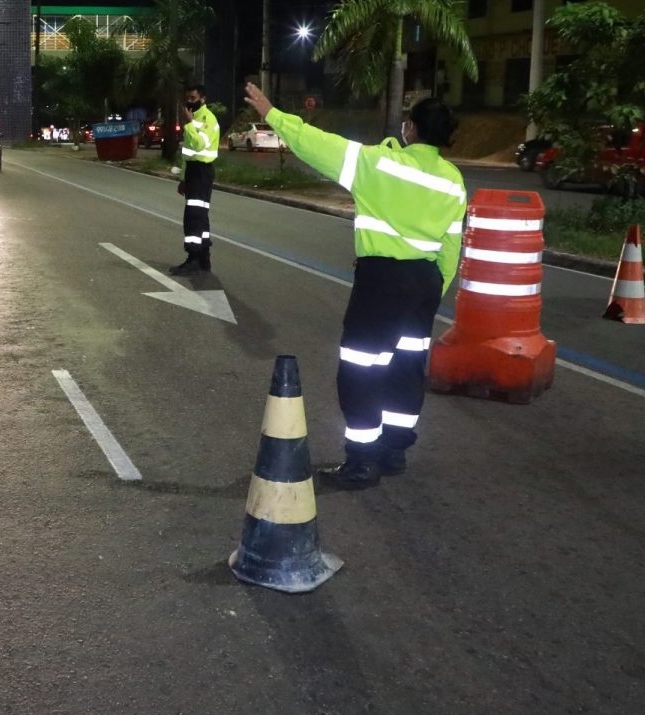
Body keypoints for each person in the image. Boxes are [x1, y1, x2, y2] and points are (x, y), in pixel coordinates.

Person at [243, 83, 466, 489]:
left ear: (411, 129)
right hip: (425, 283)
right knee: (406, 366)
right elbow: (452, 245)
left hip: (382, 280)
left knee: (362, 368)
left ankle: (362, 461)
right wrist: (434, 289)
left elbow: (317, 144)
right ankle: (395, 450)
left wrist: (274, 115)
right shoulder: (453, 180)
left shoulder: (377, 164)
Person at [169, 84, 220, 275]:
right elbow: (187, 154)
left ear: (203, 99)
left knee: (193, 217)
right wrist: (183, 179)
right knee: (200, 216)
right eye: (187, 98)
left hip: (202, 172)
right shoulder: (194, 119)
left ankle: (193, 258)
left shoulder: (207, 119)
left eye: (193, 98)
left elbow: (199, 145)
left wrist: (189, 124)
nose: (189, 102)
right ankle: (203, 257)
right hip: (192, 172)